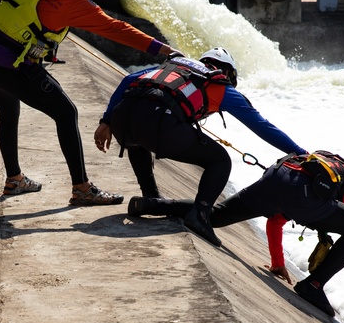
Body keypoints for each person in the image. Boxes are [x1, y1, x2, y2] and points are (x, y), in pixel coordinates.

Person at [0, 0, 178, 203]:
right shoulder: (70, 1)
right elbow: (116, 29)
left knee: (9, 111)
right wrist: (163, 50)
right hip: (9, 64)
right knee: (67, 113)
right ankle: (82, 188)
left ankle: (14, 179)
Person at [127, 151, 344, 318]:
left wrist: (277, 262)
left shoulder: (324, 167)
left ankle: (156, 204)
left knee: (213, 216)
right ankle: (313, 284)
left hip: (279, 176)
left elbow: (276, 220)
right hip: (300, 194)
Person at [93, 48, 306, 245]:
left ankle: (151, 198)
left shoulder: (175, 65)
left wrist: (106, 120)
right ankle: (200, 215)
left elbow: (129, 79)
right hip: (158, 124)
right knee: (220, 160)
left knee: (139, 137)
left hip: (122, 119)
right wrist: (300, 153)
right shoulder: (220, 85)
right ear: (227, 72)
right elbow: (262, 126)